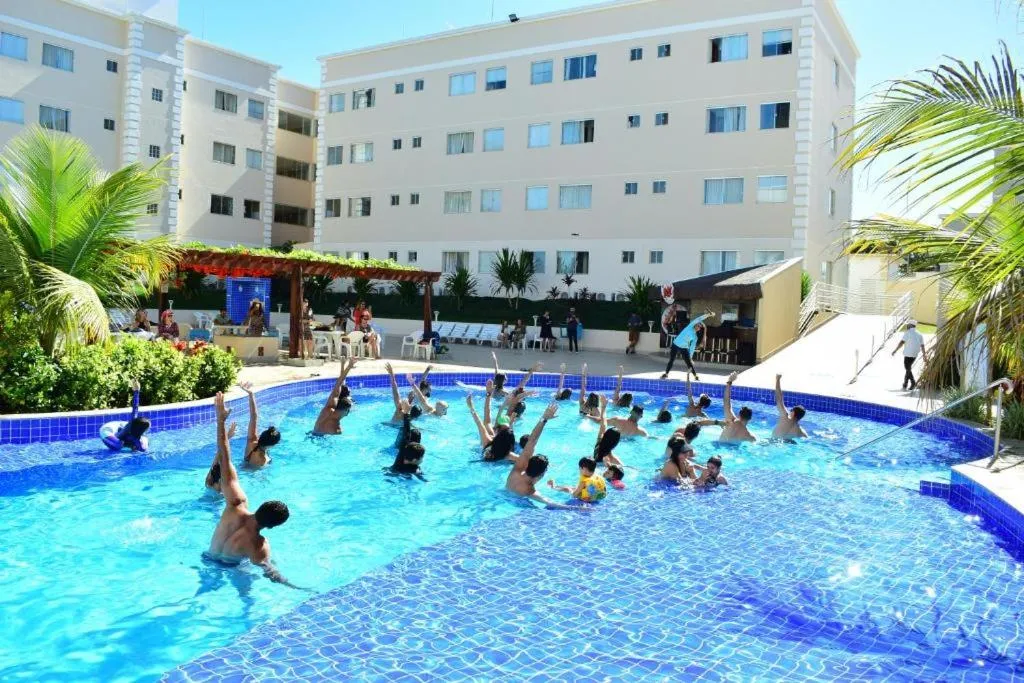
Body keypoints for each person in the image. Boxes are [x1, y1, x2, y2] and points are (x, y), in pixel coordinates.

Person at [205, 392, 299, 587]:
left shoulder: (236, 503)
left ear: (261, 506)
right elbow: (271, 573)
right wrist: (296, 587)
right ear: (272, 527)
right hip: (229, 569)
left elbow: (225, 458)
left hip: (206, 559)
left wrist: (220, 420)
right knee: (247, 589)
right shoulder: (259, 546)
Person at [505, 403, 574, 509]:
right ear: (541, 474)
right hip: (518, 506)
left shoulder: (517, 471)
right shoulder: (529, 491)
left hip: (503, 497)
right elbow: (553, 503)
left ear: (528, 465)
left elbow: (532, 441)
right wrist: (582, 509)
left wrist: (544, 419)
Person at [467, 389, 524, 462]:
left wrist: (471, 407)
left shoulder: (487, 442)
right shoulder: (508, 455)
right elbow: (525, 460)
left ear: (498, 435)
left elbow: (479, 423)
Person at [238, 381, 281, 469]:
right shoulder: (263, 460)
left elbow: (253, 417)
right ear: (273, 445)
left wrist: (251, 394)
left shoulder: (252, 442)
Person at [661, 311, 714, 380]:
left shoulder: (695, 337)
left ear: (699, 329)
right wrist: (708, 315)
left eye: (699, 327)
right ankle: (666, 374)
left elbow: (692, 347)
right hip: (675, 344)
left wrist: (690, 357)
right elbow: (699, 319)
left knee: (689, 362)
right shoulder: (690, 327)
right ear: (695, 325)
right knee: (671, 360)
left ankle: (695, 376)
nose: (698, 327)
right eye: (697, 325)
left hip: (684, 348)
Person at [101, 379, 150, 452]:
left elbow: (135, 409)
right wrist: (136, 392)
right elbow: (135, 408)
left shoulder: (133, 425)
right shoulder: (130, 429)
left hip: (124, 436)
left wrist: (136, 391)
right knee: (122, 437)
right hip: (117, 437)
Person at [312, 357, 357, 434]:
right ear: (346, 411)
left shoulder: (328, 410)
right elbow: (340, 384)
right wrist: (347, 366)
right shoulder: (337, 429)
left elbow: (339, 384)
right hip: (319, 438)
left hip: (312, 435)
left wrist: (348, 367)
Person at [717, 371, 757, 443]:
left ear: (739, 415)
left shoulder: (731, 419)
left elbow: (726, 400)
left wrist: (730, 381)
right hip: (731, 449)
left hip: (718, 445)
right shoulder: (748, 435)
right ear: (750, 419)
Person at [771, 374, 807, 440]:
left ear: (793, 413)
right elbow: (806, 438)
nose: (790, 411)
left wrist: (777, 379)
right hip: (785, 443)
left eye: (791, 410)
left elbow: (779, 399)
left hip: (772, 441)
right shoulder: (800, 431)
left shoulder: (785, 416)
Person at [593, 396, 626, 467]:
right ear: (615, 444)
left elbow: (603, 424)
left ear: (605, 435)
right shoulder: (613, 460)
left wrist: (603, 406)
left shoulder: (598, 444)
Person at [892, 320, 925, 391]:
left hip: (908, 354)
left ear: (911, 325)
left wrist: (895, 350)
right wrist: (924, 355)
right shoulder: (920, 334)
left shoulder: (907, 332)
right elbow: (922, 345)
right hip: (915, 354)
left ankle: (913, 382)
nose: (907, 325)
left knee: (907, 368)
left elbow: (902, 342)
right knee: (908, 368)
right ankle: (905, 383)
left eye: (908, 324)